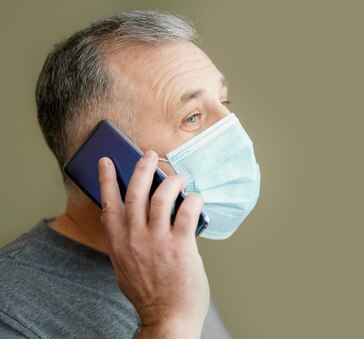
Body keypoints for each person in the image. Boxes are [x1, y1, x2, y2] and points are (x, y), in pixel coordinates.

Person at [0, 10, 260, 338]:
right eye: (192, 117)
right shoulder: (10, 310)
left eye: (225, 102)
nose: (231, 129)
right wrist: (166, 323)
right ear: (107, 157)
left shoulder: (170, 267)